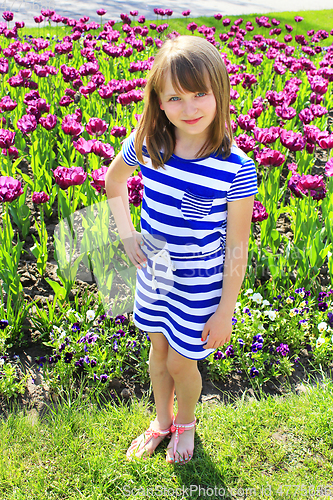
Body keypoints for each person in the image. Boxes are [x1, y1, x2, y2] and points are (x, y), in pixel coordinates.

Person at [105, 35, 258, 464]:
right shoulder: (152, 144)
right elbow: (114, 181)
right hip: (155, 272)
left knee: (180, 363)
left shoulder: (235, 168)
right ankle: (160, 421)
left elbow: (238, 248)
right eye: (175, 97)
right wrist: (126, 234)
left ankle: (185, 423)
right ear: (158, 101)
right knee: (157, 352)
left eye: (200, 94)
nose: (189, 109)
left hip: (199, 284)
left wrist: (225, 308)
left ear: (220, 92)